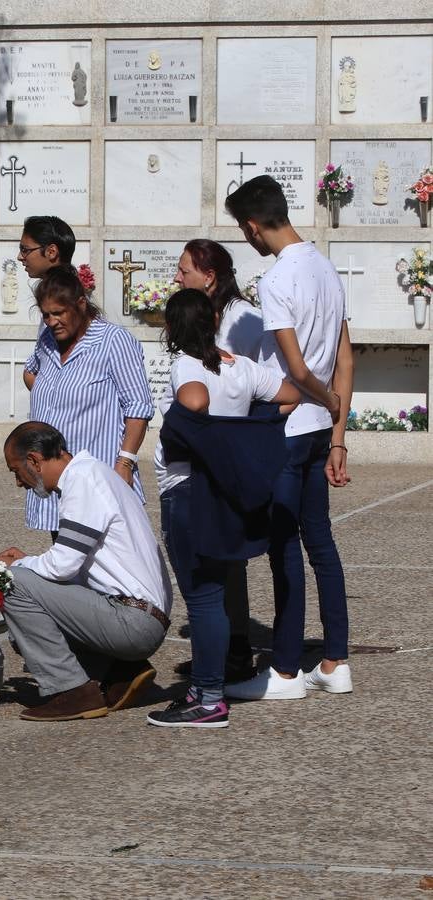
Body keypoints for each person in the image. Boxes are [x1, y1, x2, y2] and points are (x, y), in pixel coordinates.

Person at [148, 289, 313, 728]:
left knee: (202, 598)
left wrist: (206, 431)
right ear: (214, 321)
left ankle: (208, 697)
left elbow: (196, 401)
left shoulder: (187, 364)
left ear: (172, 329)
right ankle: (208, 690)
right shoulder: (240, 366)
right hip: (223, 493)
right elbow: (289, 393)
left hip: (187, 491)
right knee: (213, 596)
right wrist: (246, 428)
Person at [222, 175, 354, 701]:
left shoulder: (277, 280)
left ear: (253, 226)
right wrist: (338, 432)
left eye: (242, 228)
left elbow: (295, 367)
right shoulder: (326, 267)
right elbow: (345, 357)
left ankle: (283, 673)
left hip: (288, 427)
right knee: (321, 543)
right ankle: (335, 661)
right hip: (320, 432)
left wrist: (322, 400)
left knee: (284, 549)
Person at [0, 421, 173, 721]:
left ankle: (73, 692)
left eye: (16, 471)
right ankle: (118, 672)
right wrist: (29, 561)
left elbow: (62, 567)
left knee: (12, 584)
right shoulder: (93, 472)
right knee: (26, 611)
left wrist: (17, 565)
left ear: (34, 461)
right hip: (141, 616)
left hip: (134, 622)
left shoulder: (82, 482)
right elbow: (71, 567)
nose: (19, 482)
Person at [170, 238, 264, 681]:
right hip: (221, 453)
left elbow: (251, 378)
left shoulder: (238, 320)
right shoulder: (214, 317)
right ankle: (228, 649)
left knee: (225, 561)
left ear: (209, 277)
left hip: (227, 454)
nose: (177, 277)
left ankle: (234, 651)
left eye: (184, 270)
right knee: (226, 562)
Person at [21, 268, 154, 534]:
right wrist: (55, 398)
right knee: (64, 562)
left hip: (98, 476)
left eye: (59, 313)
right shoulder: (47, 340)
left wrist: (125, 462)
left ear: (81, 303)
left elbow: (138, 407)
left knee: (101, 566)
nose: (51, 321)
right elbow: (30, 371)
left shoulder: (114, 341)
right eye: (46, 315)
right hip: (54, 476)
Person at [17, 215, 76, 279]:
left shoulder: (59, 288)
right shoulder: (66, 287)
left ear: (51, 252)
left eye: (25, 250)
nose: (19, 257)